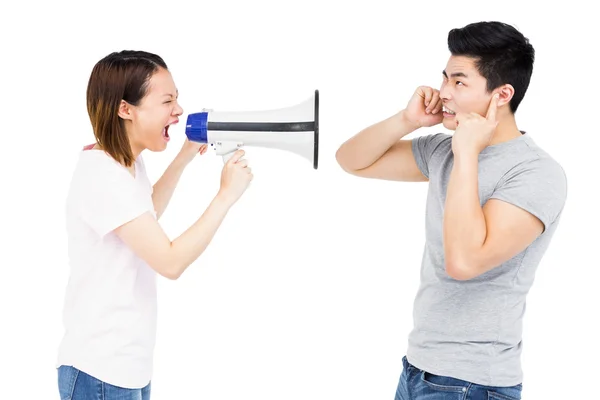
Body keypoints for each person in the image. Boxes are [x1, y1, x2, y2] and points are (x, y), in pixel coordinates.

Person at [335, 21, 567, 400]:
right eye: (444, 78)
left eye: (459, 82)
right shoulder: (445, 151)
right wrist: (407, 120)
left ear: (502, 94)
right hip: (418, 371)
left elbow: (464, 262)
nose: (443, 92)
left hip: (473, 383)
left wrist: (468, 152)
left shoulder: (537, 173)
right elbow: (351, 161)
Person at [56, 50, 253, 399]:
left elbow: (144, 216)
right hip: (101, 371)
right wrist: (225, 196)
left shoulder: (124, 161)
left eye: (177, 99)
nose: (178, 111)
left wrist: (183, 157)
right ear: (125, 109)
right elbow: (170, 261)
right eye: (167, 101)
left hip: (125, 367)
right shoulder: (103, 175)